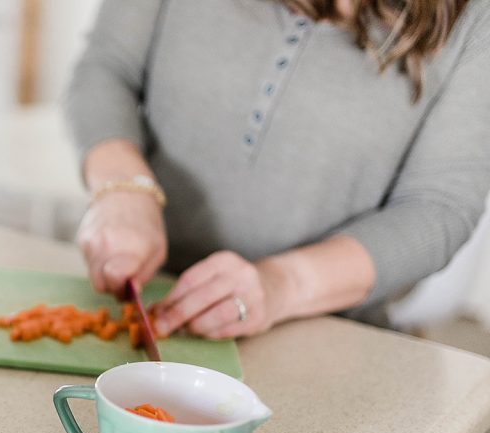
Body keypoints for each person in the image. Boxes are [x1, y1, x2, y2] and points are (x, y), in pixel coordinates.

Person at [65, 0, 490, 338]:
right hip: (135, 294)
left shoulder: (476, 22)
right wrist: (123, 188)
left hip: (322, 331)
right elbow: (107, 68)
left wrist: (282, 285)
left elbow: (440, 206)